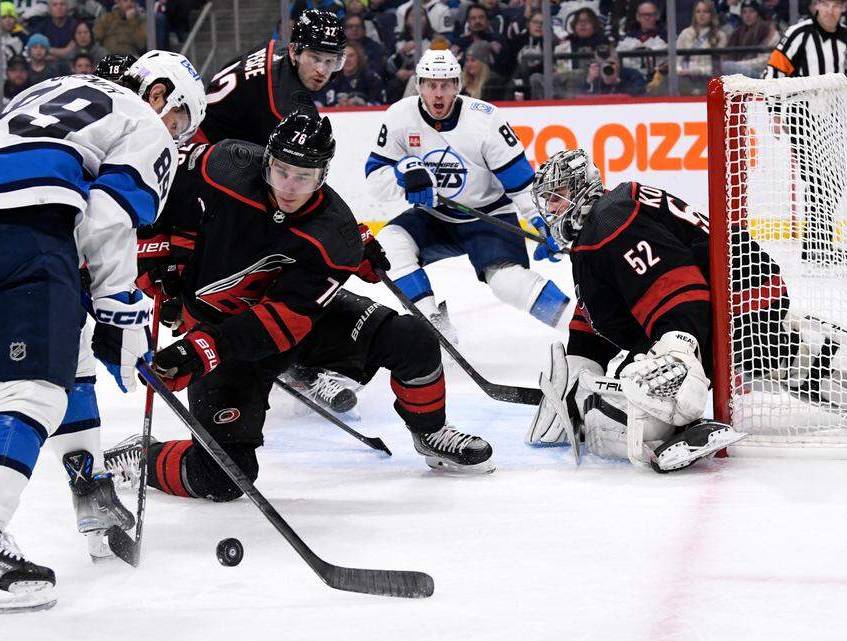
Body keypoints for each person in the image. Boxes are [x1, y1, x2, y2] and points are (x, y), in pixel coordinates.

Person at [0, 50, 205, 614]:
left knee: (67, 353)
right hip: (26, 230)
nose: (174, 139)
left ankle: (93, 492)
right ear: (163, 97)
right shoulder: (147, 123)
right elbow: (108, 217)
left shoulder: (53, 88)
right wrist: (122, 311)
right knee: (33, 391)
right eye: (180, 123)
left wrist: (98, 312)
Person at [103, 111, 495, 504]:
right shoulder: (222, 165)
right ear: (267, 161)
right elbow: (157, 189)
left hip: (271, 329)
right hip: (217, 328)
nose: (289, 187)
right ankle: (145, 455)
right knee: (221, 478)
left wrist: (202, 350)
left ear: (323, 176)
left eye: (304, 177)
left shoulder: (334, 236)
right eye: (282, 171)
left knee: (413, 338)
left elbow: (283, 321)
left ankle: (430, 431)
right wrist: (150, 251)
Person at [524, 149, 757, 472]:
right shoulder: (598, 227)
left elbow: (675, 285)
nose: (551, 208)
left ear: (582, 188)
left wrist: (679, 351)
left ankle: (672, 418)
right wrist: (575, 376)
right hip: (730, 298)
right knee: (603, 400)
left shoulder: (609, 221)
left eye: (558, 196)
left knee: (612, 410)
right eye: (547, 200)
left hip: (742, 301)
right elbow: (605, 309)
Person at [367, 48, 574, 344]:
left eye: (446, 84)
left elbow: (521, 183)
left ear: (458, 84)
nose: (438, 94)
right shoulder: (400, 116)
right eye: (430, 85)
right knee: (388, 246)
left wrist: (546, 223)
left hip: (487, 216)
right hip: (434, 216)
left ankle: (581, 328)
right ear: (419, 85)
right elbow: (375, 180)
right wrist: (403, 174)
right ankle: (434, 328)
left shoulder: (485, 120)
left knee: (508, 283)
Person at [765, 0, 847, 265]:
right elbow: (775, 70)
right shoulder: (799, 34)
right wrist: (775, 111)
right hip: (801, 114)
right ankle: (817, 248)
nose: (831, 10)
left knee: (834, 181)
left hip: (832, 117)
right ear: (816, 6)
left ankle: (819, 244)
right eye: (825, 4)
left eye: (836, 5)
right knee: (818, 180)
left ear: (843, 9)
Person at [198, 8, 346, 146]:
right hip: (202, 150)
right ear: (294, 51)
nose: (322, 70)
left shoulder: (273, 46)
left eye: (330, 61)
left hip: (197, 128)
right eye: (315, 58)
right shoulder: (286, 108)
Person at [676, 0, 728, 93]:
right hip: (685, 80)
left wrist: (695, 71)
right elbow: (677, 60)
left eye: (705, 11)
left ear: (711, 14)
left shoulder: (720, 36)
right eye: (698, 11)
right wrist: (679, 70)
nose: (701, 15)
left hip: (709, 81)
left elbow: (719, 66)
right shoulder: (685, 33)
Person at [318, 40, 384, 105]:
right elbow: (323, 104)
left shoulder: (371, 78)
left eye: (351, 56)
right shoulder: (330, 80)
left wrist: (362, 104)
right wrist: (338, 103)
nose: (347, 60)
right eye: (343, 57)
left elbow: (379, 103)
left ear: (359, 57)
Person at [616, 0, 668, 81]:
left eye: (650, 14)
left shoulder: (666, 38)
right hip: (631, 81)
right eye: (643, 15)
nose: (647, 18)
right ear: (637, 17)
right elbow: (618, 62)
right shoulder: (627, 39)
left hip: (658, 81)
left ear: (657, 16)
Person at [724, 0, 777, 76]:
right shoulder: (738, 33)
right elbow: (727, 55)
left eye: (751, 11)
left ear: (758, 14)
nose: (747, 15)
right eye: (744, 12)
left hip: (761, 74)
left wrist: (738, 65)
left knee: (727, 66)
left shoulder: (769, 31)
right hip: (738, 73)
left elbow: (765, 61)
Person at [583, 44, 647, 95]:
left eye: (611, 63)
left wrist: (618, 82)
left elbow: (640, 92)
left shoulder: (632, 74)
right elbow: (576, 96)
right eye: (601, 64)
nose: (606, 67)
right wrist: (589, 81)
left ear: (618, 62)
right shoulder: (591, 76)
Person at [343, 10, 386, 78]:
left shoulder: (375, 48)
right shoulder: (337, 46)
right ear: (344, 30)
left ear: (364, 30)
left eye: (358, 26)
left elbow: (376, 71)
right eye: (350, 26)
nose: (354, 29)